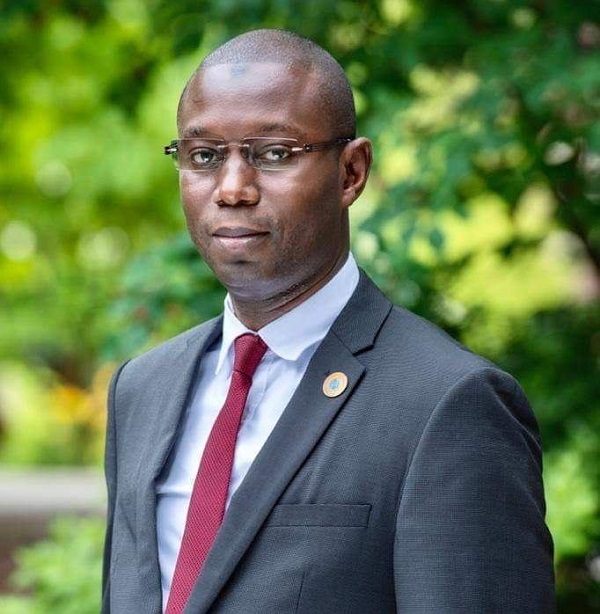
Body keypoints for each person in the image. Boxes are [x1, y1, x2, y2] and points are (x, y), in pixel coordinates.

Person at [102, 29, 555, 613]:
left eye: (274, 154)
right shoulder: (142, 388)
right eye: (205, 156)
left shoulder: (448, 403)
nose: (232, 188)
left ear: (351, 172)